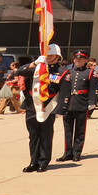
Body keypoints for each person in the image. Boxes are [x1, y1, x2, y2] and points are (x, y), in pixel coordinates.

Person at [18, 44, 66, 173]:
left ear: (58, 56)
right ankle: (33, 161)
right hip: (32, 106)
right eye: (47, 54)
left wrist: (61, 109)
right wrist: (34, 63)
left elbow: (64, 92)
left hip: (48, 107)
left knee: (45, 135)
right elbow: (20, 71)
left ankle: (43, 161)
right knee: (33, 135)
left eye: (52, 55)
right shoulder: (37, 67)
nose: (49, 57)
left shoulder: (62, 71)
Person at [57, 49, 98, 161]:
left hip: (82, 103)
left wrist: (91, 102)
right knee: (68, 130)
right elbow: (63, 88)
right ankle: (67, 152)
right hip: (69, 103)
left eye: (81, 59)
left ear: (85, 60)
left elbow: (93, 89)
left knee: (80, 130)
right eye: (76, 58)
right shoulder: (69, 72)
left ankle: (76, 152)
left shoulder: (90, 73)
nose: (78, 60)